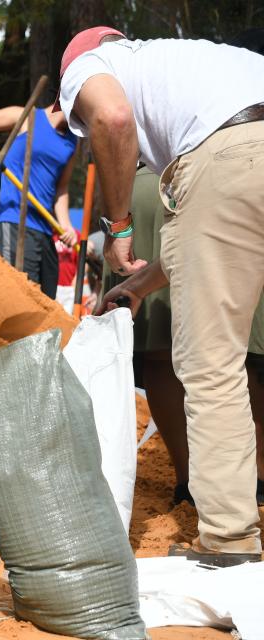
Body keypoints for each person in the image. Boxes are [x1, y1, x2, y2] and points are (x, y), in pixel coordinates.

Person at [60, 26, 264, 565]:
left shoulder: (87, 65)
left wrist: (120, 225)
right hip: (246, 149)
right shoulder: (211, 59)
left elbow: (113, 119)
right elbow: (217, 243)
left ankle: (229, 539)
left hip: (227, 156)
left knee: (211, 363)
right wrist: (137, 286)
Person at [102, 168, 264, 509]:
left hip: (150, 185)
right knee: (241, 343)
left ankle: (190, 482)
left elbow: (112, 123)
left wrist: (118, 224)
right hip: (231, 173)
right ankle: (255, 479)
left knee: (163, 349)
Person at [0, 105, 79, 298]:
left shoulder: (72, 140)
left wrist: (66, 226)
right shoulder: (26, 116)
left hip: (44, 226)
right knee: (18, 295)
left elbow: (61, 188)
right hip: (13, 218)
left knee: (45, 298)